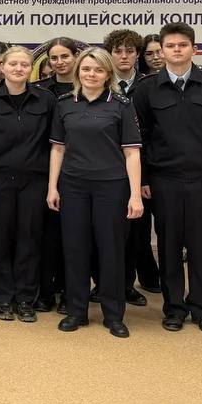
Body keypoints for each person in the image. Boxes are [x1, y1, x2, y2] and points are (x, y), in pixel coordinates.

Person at [131, 23, 202, 335]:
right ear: (161, 51)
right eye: (170, 46)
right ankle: (174, 308)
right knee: (169, 247)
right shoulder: (147, 89)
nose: (176, 50)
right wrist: (144, 178)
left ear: (194, 49)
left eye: (182, 45)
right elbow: (140, 137)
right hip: (164, 180)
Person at [47, 48, 143, 339]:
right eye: (86, 69)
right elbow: (58, 149)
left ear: (107, 74)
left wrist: (135, 195)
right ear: (78, 72)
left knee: (111, 250)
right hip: (73, 186)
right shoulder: (65, 104)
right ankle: (76, 311)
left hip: (111, 187)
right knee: (75, 249)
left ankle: (114, 315)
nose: (91, 74)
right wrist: (52, 187)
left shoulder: (121, 105)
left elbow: (132, 153)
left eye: (98, 70)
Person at [0, 45, 53, 322]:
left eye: (24, 65)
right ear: (2, 67)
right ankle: (3, 297)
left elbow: (55, 144)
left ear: (31, 69)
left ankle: (26, 298)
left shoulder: (46, 100)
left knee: (29, 239)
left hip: (34, 181)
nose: (18, 69)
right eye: (13, 64)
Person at [104, 28, 159, 302]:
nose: (123, 56)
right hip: (106, 169)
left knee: (137, 232)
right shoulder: (101, 83)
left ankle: (128, 285)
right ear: (110, 54)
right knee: (107, 232)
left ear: (138, 54)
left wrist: (145, 176)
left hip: (140, 169)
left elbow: (154, 132)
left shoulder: (150, 85)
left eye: (129, 51)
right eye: (118, 51)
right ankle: (106, 284)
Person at [35, 37, 78, 314]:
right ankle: (45, 290)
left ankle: (67, 291)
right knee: (46, 235)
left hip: (76, 171)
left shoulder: (87, 88)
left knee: (71, 236)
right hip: (44, 172)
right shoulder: (41, 91)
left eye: (65, 56)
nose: (59, 62)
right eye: (54, 58)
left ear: (75, 57)